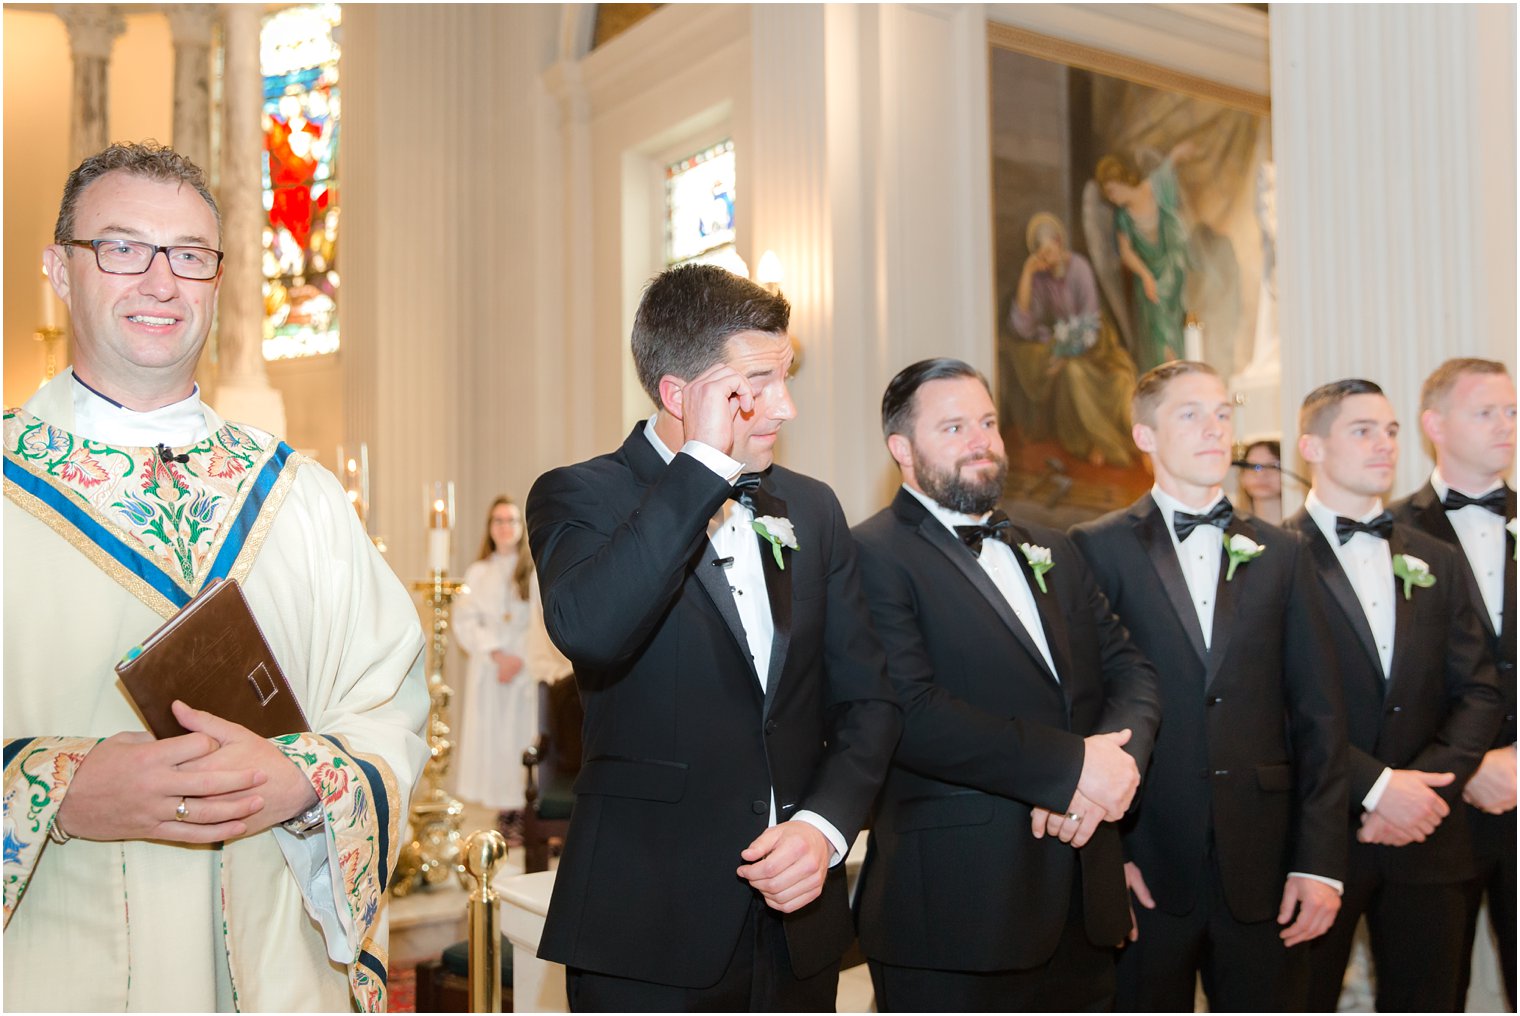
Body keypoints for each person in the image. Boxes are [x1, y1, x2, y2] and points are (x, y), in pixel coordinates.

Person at [2, 141, 428, 1012]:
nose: (161, 281)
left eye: (191, 256)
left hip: (273, 977)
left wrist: (306, 783)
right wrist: (51, 791)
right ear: (58, 268)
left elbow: (387, 709)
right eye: (122, 248)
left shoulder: (300, 499)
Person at [525, 263, 901, 1011]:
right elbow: (592, 630)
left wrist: (823, 831)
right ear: (678, 395)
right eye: (758, 382)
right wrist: (702, 467)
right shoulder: (579, 494)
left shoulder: (813, 508)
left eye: (787, 376)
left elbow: (870, 703)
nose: (785, 406)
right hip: (647, 924)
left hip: (798, 922)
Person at [851, 358, 1160, 1011]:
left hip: (1084, 898)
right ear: (901, 449)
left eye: (988, 422)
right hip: (956, 912)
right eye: (955, 426)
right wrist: (1072, 768)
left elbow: (1130, 669)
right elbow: (910, 711)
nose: (981, 441)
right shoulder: (869, 555)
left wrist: (1111, 770)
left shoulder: (1051, 545)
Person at [1070, 360, 1348, 1011]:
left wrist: (1318, 859)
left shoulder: (1283, 552)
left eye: (1223, 413)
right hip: (1147, 860)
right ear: (1145, 435)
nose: (1214, 429)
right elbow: (1085, 709)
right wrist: (1108, 864)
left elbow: (1320, 714)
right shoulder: (1097, 547)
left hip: (1267, 863)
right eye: (1190, 414)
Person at [1285, 379, 1502, 1011]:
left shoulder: (1435, 557)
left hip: (1429, 836)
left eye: (1390, 430)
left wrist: (1419, 788)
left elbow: (1480, 692)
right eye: (1362, 430)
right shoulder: (1275, 556)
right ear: (1312, 447)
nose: (1383, 444)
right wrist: (1377, 786)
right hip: (1318, 834)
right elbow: (1272, 706)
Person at [1390, 358, 1516, 1010]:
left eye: (1512, 411)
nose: (1507, 426)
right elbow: (1385, 679)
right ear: (1434, 424)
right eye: (1486, 411)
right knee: (1426, 993)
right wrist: (1470, 766)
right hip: (1435, 807)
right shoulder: (1390, 534)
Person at [454, 495, 571, 824]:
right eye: (498, 521)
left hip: (522, 670)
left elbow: (538, 620)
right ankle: (503, 812)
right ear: (489, 528)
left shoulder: (533, 570)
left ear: (521, 527)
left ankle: (524, 808)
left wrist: (516, 658)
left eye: (511, 520)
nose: (505, 527)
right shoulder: (477, 573)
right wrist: (495, 652)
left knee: (520, 737)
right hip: (491, 668)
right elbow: (465, 619)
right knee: (494, 740)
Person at [1004, 212, 1137, 468]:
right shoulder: (1040, 279)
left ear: (1059, 243)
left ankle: (1113, 440)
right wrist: (1028, 273)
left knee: (1119, 380)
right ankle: (1089, 442)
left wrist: (1065, 355)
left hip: (1096, 349)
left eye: (1049, 252)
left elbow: (1089, 322)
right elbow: (1022, 328)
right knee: (1074, 375)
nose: (1047, 260)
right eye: (1040, 256)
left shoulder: (1079, 267)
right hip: (1066, 354)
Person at [1096, 146, 1194, 373]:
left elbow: (1169, 166)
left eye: (1112, 190)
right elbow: (1126, 252)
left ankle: (1178, 371)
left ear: (1121, 180)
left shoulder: (1153, 188)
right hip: (1148, 281)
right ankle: (1168, 374)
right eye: (1108, 195)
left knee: (1174, 327)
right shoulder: (1123, 217)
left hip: (1171, 272)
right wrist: (1146, 275)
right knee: (1158, 332)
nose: (1112, 198)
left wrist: (1180, 153)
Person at [1236, 438, 1284, 524]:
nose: (1261, 474)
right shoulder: (1232, 529)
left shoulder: (1301, 530)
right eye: (1252, 466)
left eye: (1272, 466)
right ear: (1242, 476)